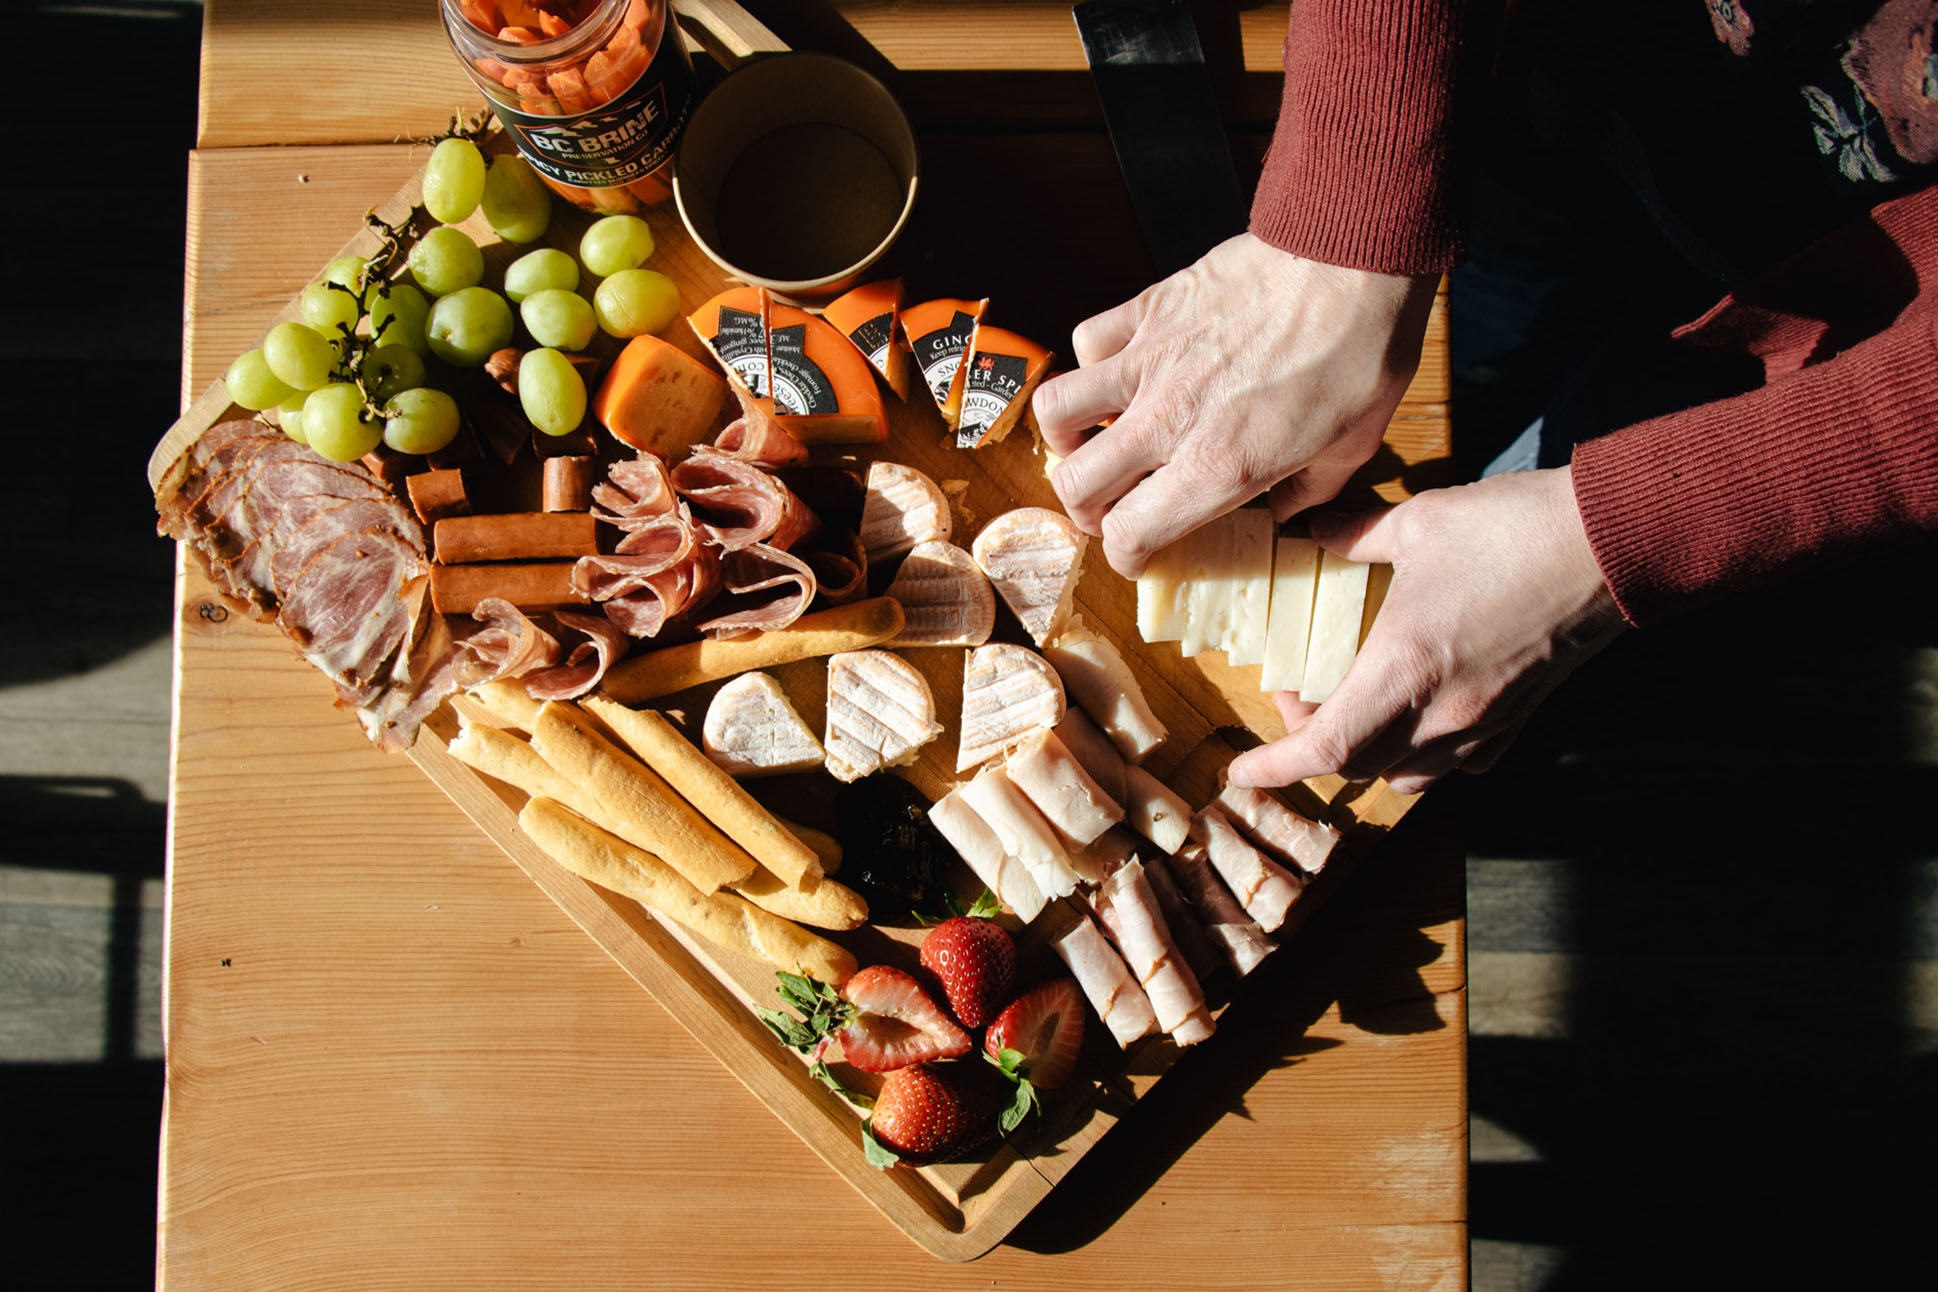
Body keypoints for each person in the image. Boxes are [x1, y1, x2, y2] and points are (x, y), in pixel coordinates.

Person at [1032, 0, 1938, 794]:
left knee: (1556, 692)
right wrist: (1351, 207)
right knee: (1468, 396)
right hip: (1562, 96)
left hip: (1861, 379)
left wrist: (1620, 536)